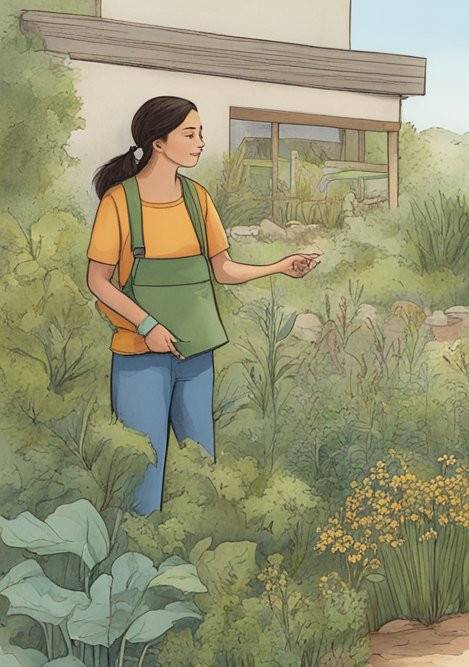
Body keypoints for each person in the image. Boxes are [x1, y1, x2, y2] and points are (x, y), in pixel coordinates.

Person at [86, 95, 321, 516]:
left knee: (203, 466)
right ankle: (142, 561)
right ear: (158, 142)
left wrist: (280, 266)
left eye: (200, 134)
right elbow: (98, 281)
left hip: (196, 354)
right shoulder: (119, 203)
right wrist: (147, 326)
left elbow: (223, 269)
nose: (199, 143)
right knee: (143, 468)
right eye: (189, 134)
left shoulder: (197, 199)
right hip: (141, 358)